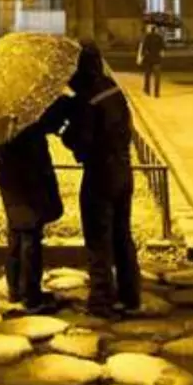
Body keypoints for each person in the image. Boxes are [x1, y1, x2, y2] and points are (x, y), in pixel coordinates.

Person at [60, 42, 140, 317]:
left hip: (99, 175)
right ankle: (130, 294)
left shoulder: (87, 99)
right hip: (123, 170)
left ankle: (101, 300)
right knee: (122, 236)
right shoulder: (112, 88)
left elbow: (82, 143)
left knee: (98, 239)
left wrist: (66, 134)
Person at [0, 96, 72, 314]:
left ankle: (16, 290)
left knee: (17, 233)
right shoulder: (23, 115)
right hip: (27, 180)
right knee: (29, 236)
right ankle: (31, 295)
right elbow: (44, 129)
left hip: (10, 181)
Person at [137, 23, 166, 97]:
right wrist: (161, 56)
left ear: (150, 30)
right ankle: (156, 93)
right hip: (157, 60)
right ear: (156, 30)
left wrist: (140, 58)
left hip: (148, 60)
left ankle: (147, 91)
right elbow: (163, 49)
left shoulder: (147, 37)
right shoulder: (160, 37)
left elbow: (143, 49)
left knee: (147, 76)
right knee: (157, 78)